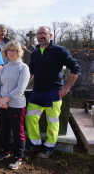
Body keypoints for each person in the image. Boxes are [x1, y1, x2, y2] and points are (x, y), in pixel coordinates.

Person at [25, 26, 80, 158]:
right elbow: (31, 73)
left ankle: (49, 146)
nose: (40, 36)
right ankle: (35, 143)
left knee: (53, 121)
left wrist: (66, 89)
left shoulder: (59, 50)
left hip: (53, 93)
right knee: (30, 117)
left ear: (50, 35)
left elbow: (75, 69)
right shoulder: (35, 53)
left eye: (44, 33)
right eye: (39, 34)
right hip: (37, 92)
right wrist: (22, 87)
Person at [0, 41, 30, 170]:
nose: (12, 52)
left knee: (17, 131)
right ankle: (5, 150)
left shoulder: (23, 68)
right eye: (9, 50)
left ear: (19, 52)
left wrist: (6, 99)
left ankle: (18, 156)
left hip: (16, 105)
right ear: (6, 52)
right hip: (2, 104)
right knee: (4, 128)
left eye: (14, 50)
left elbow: (20, 88)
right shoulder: (3, 68)